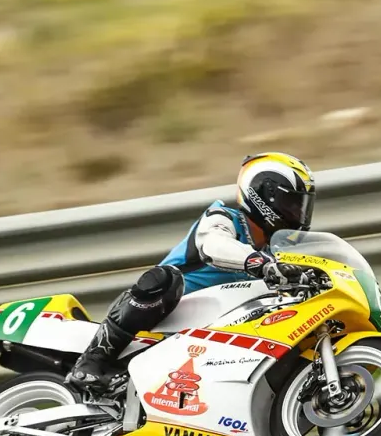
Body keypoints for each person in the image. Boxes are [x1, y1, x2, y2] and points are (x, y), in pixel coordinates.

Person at [65, 152, 317, 395]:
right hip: (165, 316)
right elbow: (214, 246)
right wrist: (258, 263)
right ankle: (91, 362)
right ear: (264, 196)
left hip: (211, 335)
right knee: (163, 279)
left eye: (302, 206)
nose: (298, 213)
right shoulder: (223, 218)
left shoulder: (275, 254)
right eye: (292, 204)